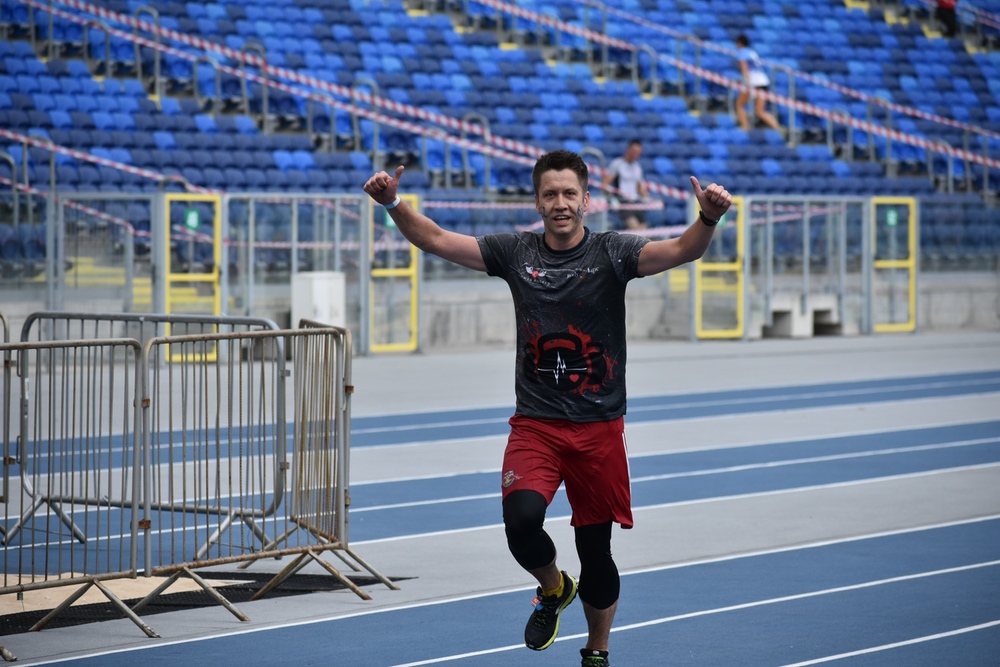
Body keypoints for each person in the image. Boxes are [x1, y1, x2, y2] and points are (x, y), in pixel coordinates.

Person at [364, 151, 731, 667]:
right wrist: (393, 204)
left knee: (596, 551)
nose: (560, 203)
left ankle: (597, 650)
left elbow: (680, 250)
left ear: (587, 200)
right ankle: (554, 588)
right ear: (537, 202)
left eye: (569, 194)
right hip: (536, 425)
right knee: (520, 521)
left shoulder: (613, 252)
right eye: (550, 194)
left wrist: (708, 217)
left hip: (598, 428)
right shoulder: (516, 252)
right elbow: (436, 239)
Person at [734, 34, 782, 133]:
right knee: (760, 111)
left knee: (739, 104)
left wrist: (747, 83)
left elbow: (744, 69)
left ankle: (745, 128)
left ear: (739, 43)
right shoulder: (752, 52)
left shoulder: (742, 53)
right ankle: (777, 129)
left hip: (753, 83)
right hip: (763, 82)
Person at [602, 139, 649, 230]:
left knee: (645, 229)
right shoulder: (617, 164)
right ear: (628, 149)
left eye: (638, 152)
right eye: (634, 151)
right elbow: (605, 184)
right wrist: (611, 199)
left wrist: (648, 199)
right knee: (635, 228)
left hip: (635, 202)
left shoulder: (637, 167)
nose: (636, 154)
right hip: (623, 202)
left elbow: (640, 187)